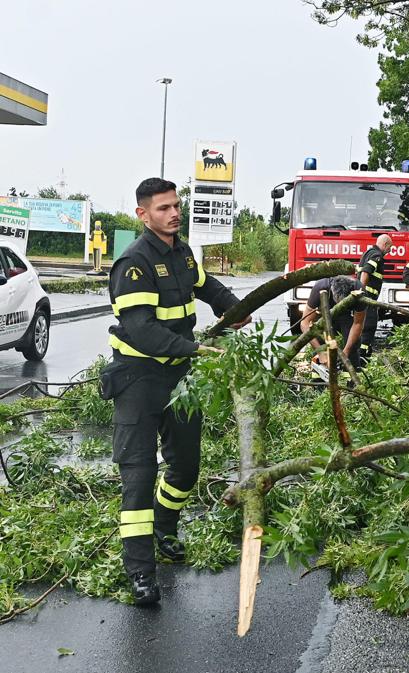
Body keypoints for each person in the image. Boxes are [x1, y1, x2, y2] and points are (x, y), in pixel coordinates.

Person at [103, 178, 251, 606]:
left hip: (180, 379)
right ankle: (141, 573)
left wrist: (234, 308)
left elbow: (206, 285)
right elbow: (142, 331)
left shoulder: (183, 252)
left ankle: (165, 526)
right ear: (143, 214)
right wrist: (197, 348)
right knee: (138, 477)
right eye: (164, 207)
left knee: (185, 467)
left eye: (176, 206)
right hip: (137, 379)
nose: (174, 213)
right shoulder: (133, 263)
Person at [299, 275, 366, 370]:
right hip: (323, 314)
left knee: (353, 343)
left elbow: (358, 324)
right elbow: (304, 323)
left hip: (346, 316)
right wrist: (320, 352)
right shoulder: (320, 287)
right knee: (318, 335)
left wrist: (346, 351)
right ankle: (318, 377)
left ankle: (351, 375)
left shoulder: (359, 291)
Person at [357, 233, 393, 364]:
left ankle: (362, 352)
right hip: (368, 298)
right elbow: (366, 272)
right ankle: (363, 354)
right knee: (369, 325)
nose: (389, 251)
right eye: (390, 247)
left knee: (362, 324)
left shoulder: (368, 252)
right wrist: (362, 291)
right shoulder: (377, 256)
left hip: (366, 297)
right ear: (385, 244)